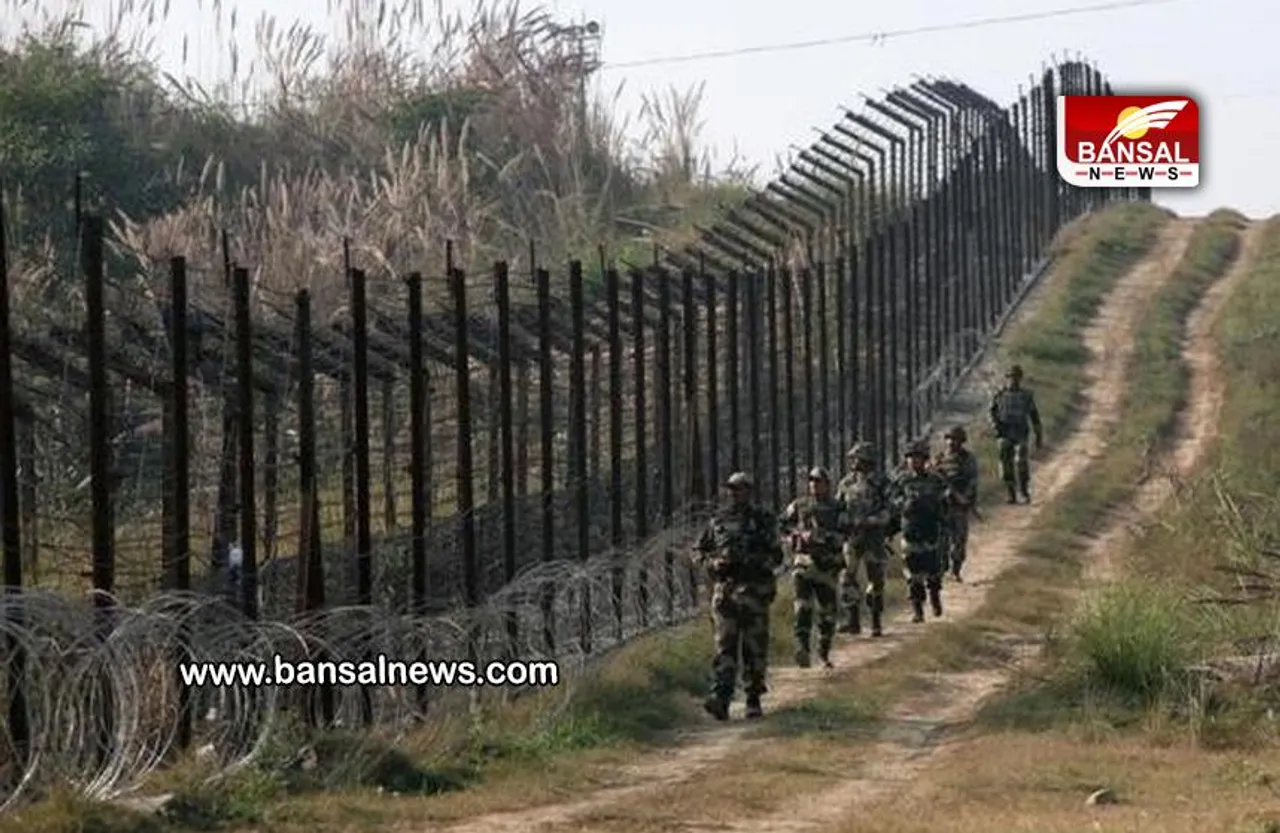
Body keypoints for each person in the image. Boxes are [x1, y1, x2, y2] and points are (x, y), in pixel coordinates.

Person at [692, 471, 784, 720]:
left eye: (740, 489)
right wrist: (713, 564)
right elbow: (698, 552)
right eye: (731, 489)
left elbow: (777, 555)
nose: (735, 493)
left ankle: (753, 698)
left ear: (749, 491)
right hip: (726, 593)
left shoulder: (763, 520)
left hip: (755, 590)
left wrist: (753, 561)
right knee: (725, 646)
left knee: (754, 647)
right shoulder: (718, 521)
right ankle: (721, 698)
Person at [779, 467, 848, 669]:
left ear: (827, 484)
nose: (814, 485)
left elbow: (846, 532)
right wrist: (796, 535)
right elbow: (782, 524)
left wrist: (824, 537)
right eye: (811, 481)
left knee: (827, 613)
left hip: (827, 566)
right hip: (804, 564)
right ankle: (802, 648)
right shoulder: (800, 505)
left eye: (818, 481)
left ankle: (823, 651)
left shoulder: (837, 508)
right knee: (803, 608)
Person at [835, 442, 893, 637]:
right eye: (852, 459)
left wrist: (873, 521)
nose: (853, 462)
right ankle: (853, 621)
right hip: (852, 537)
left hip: (874, 537)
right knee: (847, 578)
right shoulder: (846, 483)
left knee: (875, 579)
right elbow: (839, 507)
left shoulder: (881, 482)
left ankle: (876, 621)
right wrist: (845, 523)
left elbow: (889, 509)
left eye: (857, 459)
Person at [889, 440, 950, 623]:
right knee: (912, 573)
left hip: (930, 530)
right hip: (910, 529)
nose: (914, 462)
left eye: (917, 458)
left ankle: (934, 596)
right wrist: (905, 504)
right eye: (910, 458)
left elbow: (945, 501)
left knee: (933, 569)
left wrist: (934, 507)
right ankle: (918, 609)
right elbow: (892, 500)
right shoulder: (901, 480)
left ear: (924, 460)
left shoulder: (935, 480)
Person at [932, 425, 980, 582]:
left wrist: (965, 496)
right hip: (942, 506)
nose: (952, 442)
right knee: (941, 541)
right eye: (949, 439)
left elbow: (972, 480)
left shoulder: (967, 458)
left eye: (955, 439)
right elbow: (932, 480)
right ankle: (942, 568)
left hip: (959, 506)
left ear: (961, 441)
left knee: (959, 540)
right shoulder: (939, 459)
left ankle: (956, 570)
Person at [989, 364, 1043, 504]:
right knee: (1006, 464)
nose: (1013, 380)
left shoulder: (1026, 396)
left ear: (1020, 378)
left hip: (1020, 433)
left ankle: (1024, 491)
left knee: (1021, 462)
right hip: (1004, 433)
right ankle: (1011, 493)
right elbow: (992, 412)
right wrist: (995, 426)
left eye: (1016, 377)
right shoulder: (999, 395)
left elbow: (1034, 415)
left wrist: (1038, 436)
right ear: (1006, 378)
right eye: (1011, 377)